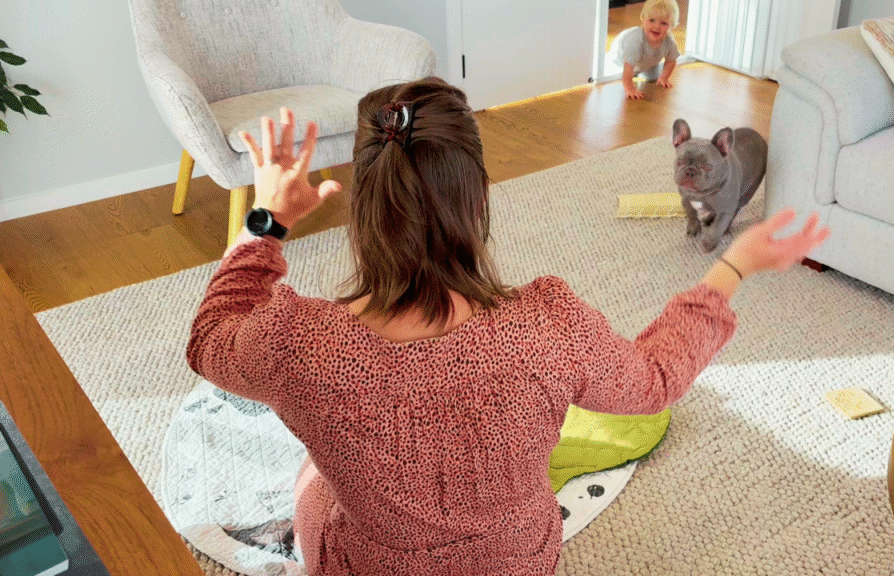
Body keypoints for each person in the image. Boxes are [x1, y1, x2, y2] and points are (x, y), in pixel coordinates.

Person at [186, 76, 829, 575]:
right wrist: (735, 267)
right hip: (519, 563)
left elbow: (211, 334)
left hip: (368, 562)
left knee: (312, 475)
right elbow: (654, 379)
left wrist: (265, 220)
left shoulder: (295, 341)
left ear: (365, 199)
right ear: (482, 196)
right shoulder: (547, 326)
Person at [609, 0, 682, 99]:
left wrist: (664, 77)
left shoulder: (669, 41)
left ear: (672, 25)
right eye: (652, 20)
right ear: (643, 19)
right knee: (618, 74)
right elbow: (628, 67)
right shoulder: (636, 40)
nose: (657, 26)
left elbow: (671, 60)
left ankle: (640, 71)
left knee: (654, 77)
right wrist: (630, 89)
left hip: (645, 62)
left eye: (663, 23)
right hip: (621, 60)